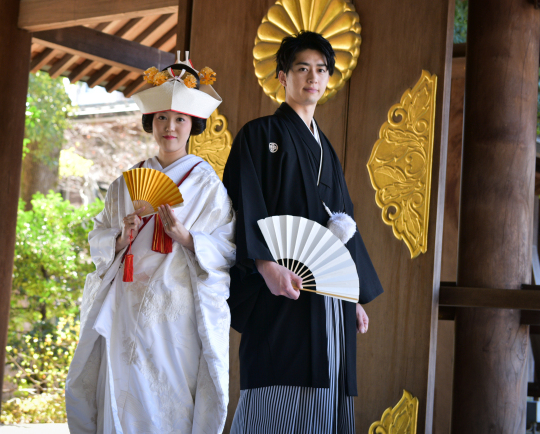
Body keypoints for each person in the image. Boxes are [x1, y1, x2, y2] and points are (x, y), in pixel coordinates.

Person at [222, 31, 383, 434]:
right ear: (282, 76)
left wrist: (351, 295)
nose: (312, 77)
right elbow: (245, 204)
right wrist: (264, 264)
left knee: (327, 393)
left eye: (321, 69)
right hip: (280, 288)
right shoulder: (259, 136)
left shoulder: (326, 149)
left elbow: (343, 223)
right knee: (278, 387)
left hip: (328, 296)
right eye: (302, 68)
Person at [66, 60, 236, 434]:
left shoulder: (207, 187)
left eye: (179, 119)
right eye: (161, 118)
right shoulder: (124, 185)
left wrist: (188, 239)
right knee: (121, 395)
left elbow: (226, 249)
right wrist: (119, 239)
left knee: (169, 399)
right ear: (151, 123)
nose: (169, 128)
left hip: (175, 313)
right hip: (126, 305)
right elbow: (98, 238)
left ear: (193, 124)